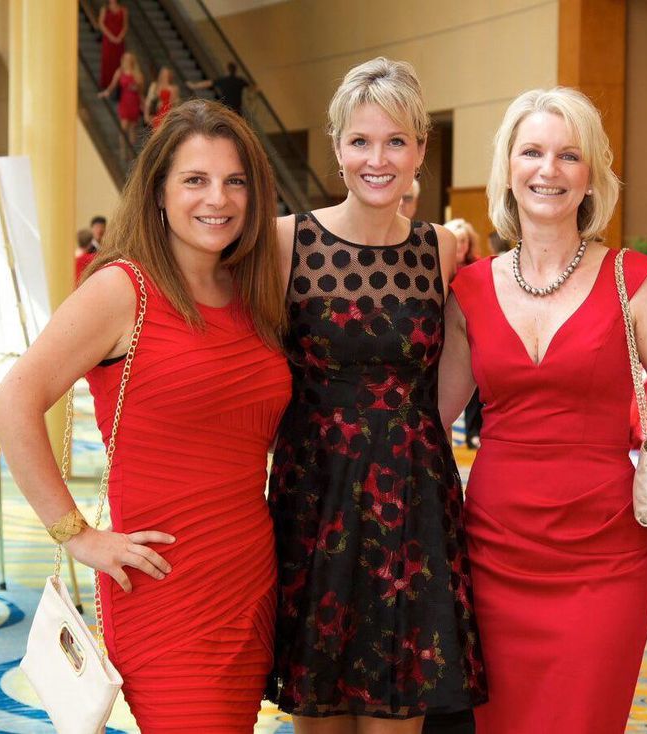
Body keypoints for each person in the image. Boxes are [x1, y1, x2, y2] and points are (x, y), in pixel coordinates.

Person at [0, 99, 290, 732]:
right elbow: (12, 402)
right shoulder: (124, 290)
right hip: (162, 586)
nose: (219, 199)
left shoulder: (252, 292)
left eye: (235, 181)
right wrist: (75, 534)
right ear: (158, 192)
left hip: (251, 579)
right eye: (195, 180)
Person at [438, 87, 647, 733]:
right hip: (489, 559)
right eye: (533, 152)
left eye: (569, 155)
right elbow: (427, 425)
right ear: (508, 169)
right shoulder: (469, 291)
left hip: (605, 565)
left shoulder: (636, 280)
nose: (549, 170)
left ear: (592, 175)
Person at [267, 57, 487, 733]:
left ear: (420, 149)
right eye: (360, 141)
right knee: (319, 715)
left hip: (411, 509)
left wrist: (400, 441)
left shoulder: (440, 249)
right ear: (337, 148)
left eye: (395, 141)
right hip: (315, 499)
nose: (377, 158)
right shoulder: (286, 241)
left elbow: (451, 383)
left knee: (398, 713)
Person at [443, 219, 482, 449]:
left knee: (475, 390)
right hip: (445, 333)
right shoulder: (436, 265)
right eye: (456, 241)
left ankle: (473, 432)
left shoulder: (476, 269)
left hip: (471, 331)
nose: (460, 245)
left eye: (464, 241)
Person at [99, 52, 144, 153]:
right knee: (123, 127)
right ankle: (123, 152)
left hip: (134, 100)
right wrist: (106, 93)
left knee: (132, 128)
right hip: (125, 100)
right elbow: (112, 86)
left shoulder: (137, 74)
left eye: (129, 59)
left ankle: (131, 152)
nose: (127, 61)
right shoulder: (120, 72)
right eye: (125, 59)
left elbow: (141, 91)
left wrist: (138, 89)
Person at [97, 0, 127, 90]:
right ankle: (107, 85)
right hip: (108, 39)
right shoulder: (104, 9)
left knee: (118, 61)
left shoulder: (123, 10)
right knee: (107, 60)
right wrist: (111, 37)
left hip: (119, 40)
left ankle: (118, 85)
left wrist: (120, 37)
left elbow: (125, 25)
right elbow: (101, 24)